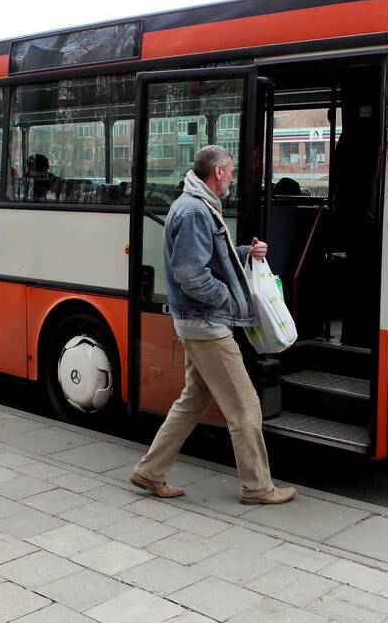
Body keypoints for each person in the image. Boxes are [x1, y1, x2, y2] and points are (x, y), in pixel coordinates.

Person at [131, 145, 297, 506]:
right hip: (206, 323)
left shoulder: (197, 204)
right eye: (232, 172)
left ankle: (150, 470)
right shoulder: (193, 210)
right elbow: (192, 275)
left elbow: (206, 255)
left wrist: (243, 254)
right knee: (246, 407)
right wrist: (231, 298)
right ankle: (257, 487)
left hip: (197, 322)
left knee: (193, 400)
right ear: (218, 172)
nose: (234, 179)